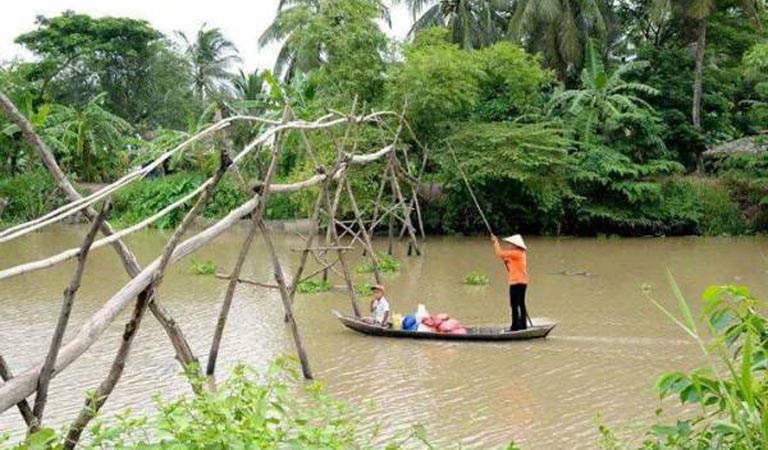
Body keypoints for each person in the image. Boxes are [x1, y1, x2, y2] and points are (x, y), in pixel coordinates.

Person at [492, 234, 529, 331]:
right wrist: (506, 260)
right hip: (522, 281)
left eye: (510, 244)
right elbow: (511, 262)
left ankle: (515, 326)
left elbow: (499, 253)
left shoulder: (515, 253)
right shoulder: (521, 253)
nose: (509, 245)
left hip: (516, 282)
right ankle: (523, 325)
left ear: (515, 245)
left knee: (514, 305)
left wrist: (495, 242)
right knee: (521, 304)